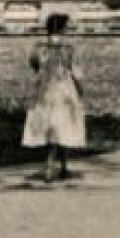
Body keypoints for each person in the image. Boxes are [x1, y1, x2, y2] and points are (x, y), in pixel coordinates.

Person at [23, 12, 86, 181]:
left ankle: (53, 166)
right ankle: (57, 167)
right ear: (62, 29)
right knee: (63, 127)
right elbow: (77, 72)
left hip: (44, 90)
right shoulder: (69, 48)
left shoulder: (39, 48)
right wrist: (81, 90)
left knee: (49, 127)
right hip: (65, 91)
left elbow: (34, 66)